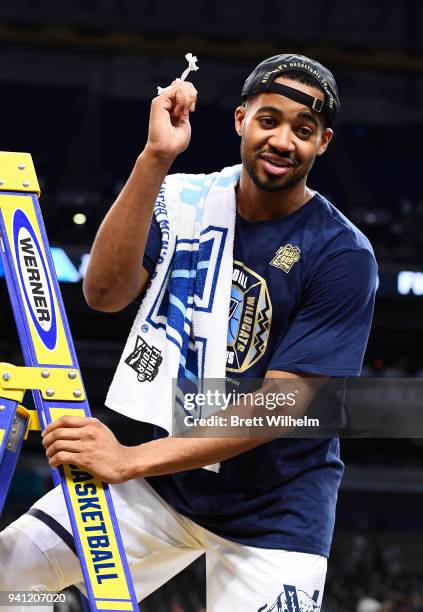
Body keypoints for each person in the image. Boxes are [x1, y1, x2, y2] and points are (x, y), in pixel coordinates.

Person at [0, 54, 377, 611]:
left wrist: (127, 460)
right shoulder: (187, 200)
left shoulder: (342, 254)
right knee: (8, 577)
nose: (282, 140)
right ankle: (62, 607)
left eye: (303, 130)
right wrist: (155, 158)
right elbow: (103, 293)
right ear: (241, 119)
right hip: (165, 484)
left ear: (322, 143)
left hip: (276, 510)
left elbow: (284, 403)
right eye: (269, 120)